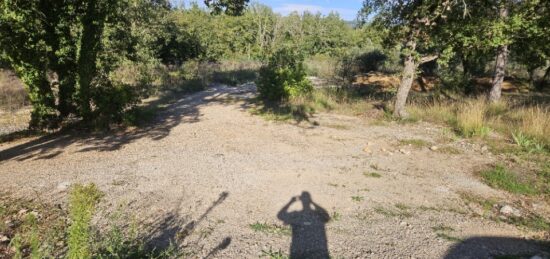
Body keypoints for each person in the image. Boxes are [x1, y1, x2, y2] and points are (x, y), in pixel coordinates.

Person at [277, 191, 330, 259]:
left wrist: (291, 202)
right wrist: (312, 202)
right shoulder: (314, 214)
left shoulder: (296, 214)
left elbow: (280, 215)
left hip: (297, 249)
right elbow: (326, 217)